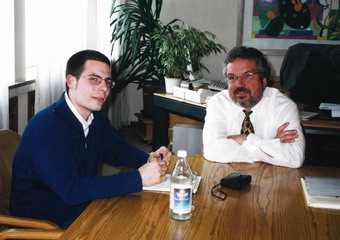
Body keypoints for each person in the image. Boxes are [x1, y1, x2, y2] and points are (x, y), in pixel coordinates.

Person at [10, 50, 171, 229]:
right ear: (71, 81)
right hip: (48, 224)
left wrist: (148, 158)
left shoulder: (94, 117)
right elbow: (71, 190)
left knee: (153, 218)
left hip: (82, 208)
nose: (104, 88)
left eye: (107, 82)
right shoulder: (46, 127)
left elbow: (116, 149)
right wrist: (139, 178)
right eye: (94, 79)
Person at [203, 46, 305, 168]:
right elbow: (212, 151)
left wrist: (246, 138)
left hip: (269, 180)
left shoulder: (284, 107)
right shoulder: (218, 103)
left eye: (248, 76)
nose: (239, 84)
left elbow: (295, 158)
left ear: (264, 81)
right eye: (232, 78)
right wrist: (271, 147)